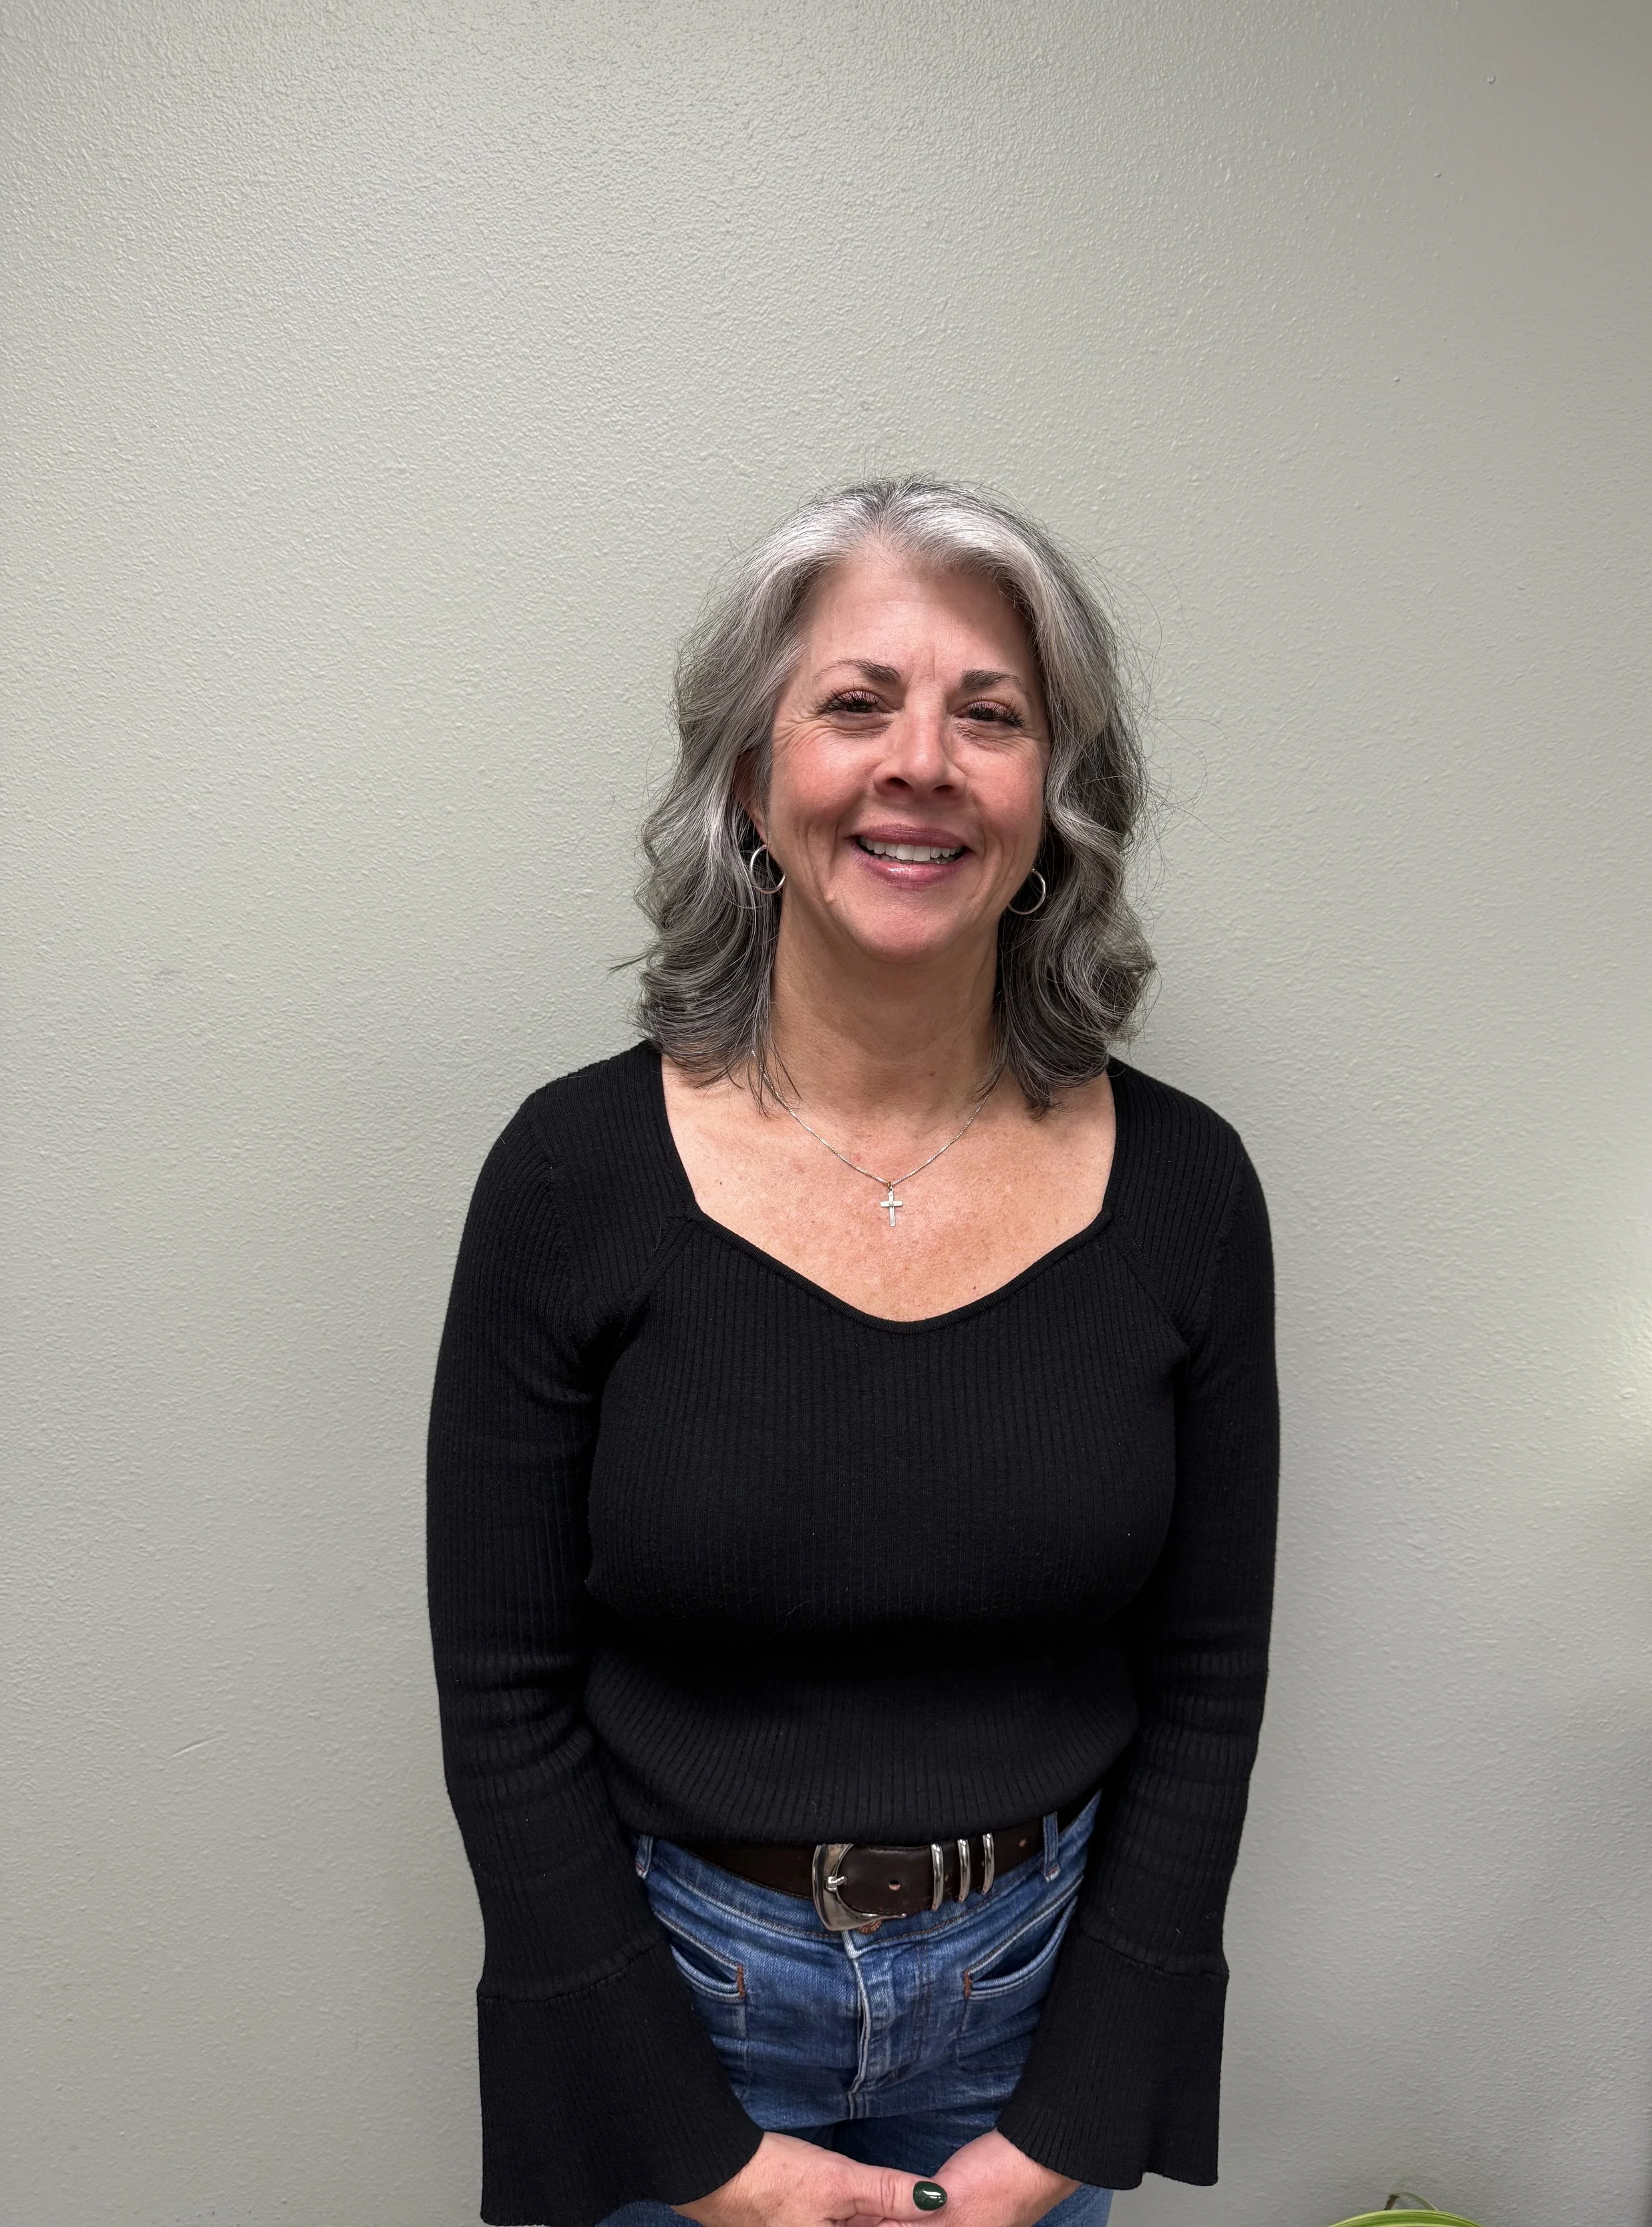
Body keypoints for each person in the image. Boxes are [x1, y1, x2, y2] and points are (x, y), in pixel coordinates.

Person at [428, 478, 1279, 2227]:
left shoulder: (1186, 1191)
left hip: (1027, 2029)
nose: (922, 762)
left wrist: (1076, 2113)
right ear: (752, 779)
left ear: (1050, 799)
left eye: (989, 714)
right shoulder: (571, 1176)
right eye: (854, 703)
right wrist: (692, 2148)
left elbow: (1204, 1685)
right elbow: (504, 1698)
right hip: (670, 2019)